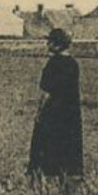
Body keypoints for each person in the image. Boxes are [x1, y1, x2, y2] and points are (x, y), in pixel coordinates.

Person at [28, 28, 83, 177]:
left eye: (50, 42)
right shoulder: (73, 64)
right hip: (70, 112)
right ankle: (67, 172)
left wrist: (39, 112)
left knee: (46, 142)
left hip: (53, 111)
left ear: (57, 45)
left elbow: (46, 92)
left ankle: (44, 172)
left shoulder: (53, 64)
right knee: (68, 142)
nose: (47, 44)